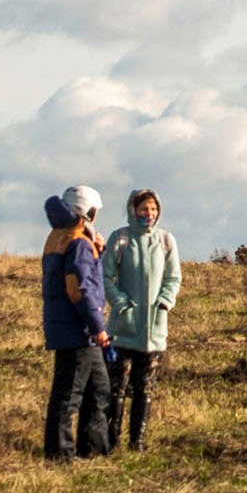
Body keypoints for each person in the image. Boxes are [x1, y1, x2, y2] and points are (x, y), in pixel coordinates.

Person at [102, 188, 182, 450]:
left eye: (153, 209)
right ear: (132, 210)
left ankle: (136, 443)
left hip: (154, 332)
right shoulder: (120, 238)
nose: (149, 214)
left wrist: (165, 302)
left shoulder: (166, 241)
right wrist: (121, 303)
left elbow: (173, 277)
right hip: (123, 330)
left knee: (144, 389)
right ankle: (111, 441)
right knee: (117, 389)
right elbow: (105, 277)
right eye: (143, 209)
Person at [41, 185, 111, 461]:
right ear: (87, 211)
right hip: (78, 330)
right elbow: (79, 289)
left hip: (74, 329)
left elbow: (82, 274)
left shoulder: (60, 236)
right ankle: (60, 454)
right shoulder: (79, 242)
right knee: (69, 394)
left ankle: (93, 448)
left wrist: (99, 252)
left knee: (99, 389)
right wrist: (98, 327)